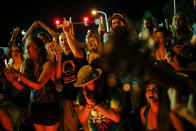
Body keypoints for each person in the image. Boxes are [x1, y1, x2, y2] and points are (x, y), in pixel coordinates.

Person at [4, 36, 60, 131]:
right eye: (26, 46)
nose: (27, 48)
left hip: (49, 107)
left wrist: (20, 75)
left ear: (39, 48)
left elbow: (38, 85)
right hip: (35, 107)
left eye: (30, 46)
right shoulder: (28, 65)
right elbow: (21, 86)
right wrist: (12, 79)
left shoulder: (48, 64)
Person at [56, 18, 88, 131]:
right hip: (68, 99)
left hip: (82, 97)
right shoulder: (60, 58)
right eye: (62, 40)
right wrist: (58, 58)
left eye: (66, 39)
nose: (64, 42)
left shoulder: (78, 52)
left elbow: (75, 51)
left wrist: (67, 32)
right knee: (69, 127)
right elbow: (58, 77)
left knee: (87, 126)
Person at [74, 65, 121, 131]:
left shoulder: (109, 90)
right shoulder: (82, 92)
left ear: (96, 80)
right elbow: (82, 119)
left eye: (87, 83)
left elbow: (117, 118)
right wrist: (88, 106)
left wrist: (95, 105)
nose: (84, 87)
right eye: (82, 85)